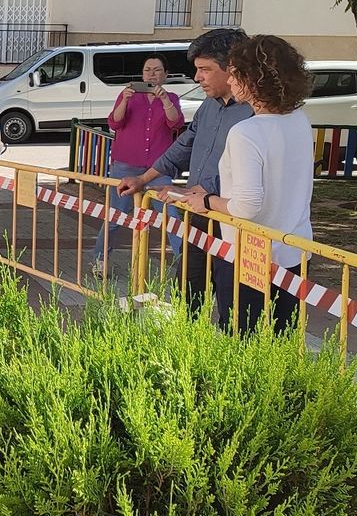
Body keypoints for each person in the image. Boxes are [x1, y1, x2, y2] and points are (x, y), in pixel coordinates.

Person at [179, 35, 314, 334]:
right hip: (294, 250)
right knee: (284, 337)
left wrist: (207, 201)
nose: (231, 80)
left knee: (242, 338)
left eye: (236, 72)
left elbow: (246, 206)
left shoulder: (247, 132)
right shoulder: (300, 121)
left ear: (253, 79)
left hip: (248, 254)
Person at [117, 28, 253, 297]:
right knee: (188, 290)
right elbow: (185, 144)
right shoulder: (209, 105)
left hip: (232, 218)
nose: (197, 77)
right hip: (198, 212)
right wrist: (144, 179)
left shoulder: (255, 112)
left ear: (232, 68)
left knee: (232, 300)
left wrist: (206, 192)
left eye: (205, 69)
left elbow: (247, 171)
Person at [90, 54, 184, 276]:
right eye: (147, 70)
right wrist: (123, 99)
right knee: (115, 216)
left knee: (172, 217)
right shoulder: (129, 96)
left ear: (165, 75)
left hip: (158, 169)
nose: (151, 74)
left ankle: (185, 267)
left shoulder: (171, 97)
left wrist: (165, 101)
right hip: (126, 165)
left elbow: (176, 122)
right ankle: (99, 260)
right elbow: (115, 122)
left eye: (157, 70)